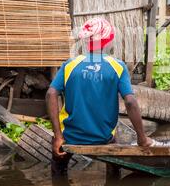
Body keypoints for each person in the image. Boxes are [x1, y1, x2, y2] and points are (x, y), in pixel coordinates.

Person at [46, 18, 153, 175]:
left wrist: (57, 136)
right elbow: (130, 102)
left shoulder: (70, 65)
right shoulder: (117, 66)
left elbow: (51, 94)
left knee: (58, 170)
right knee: (114, 165)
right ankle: (112, 181)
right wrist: (142, 138)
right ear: (108, 41)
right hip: (103, 137)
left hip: (70, 136)